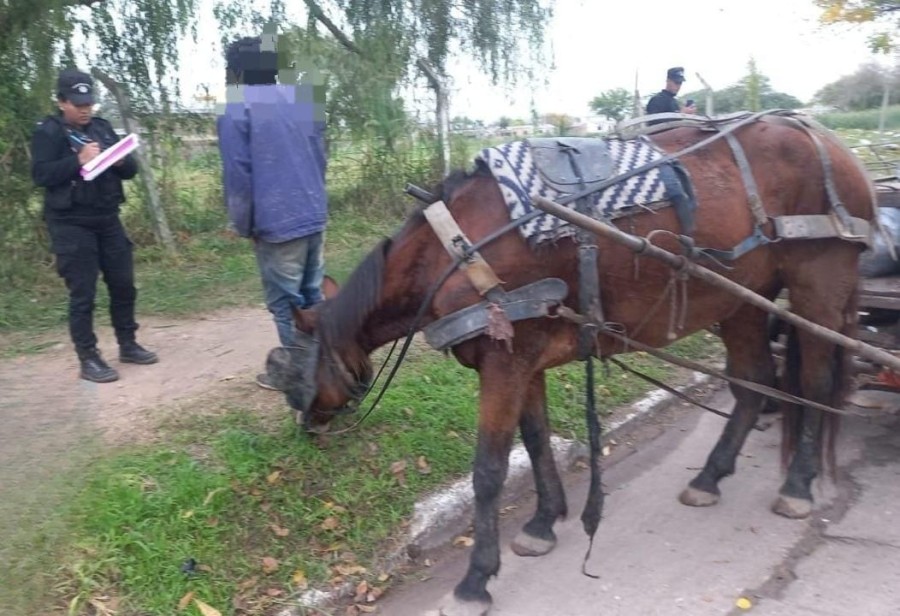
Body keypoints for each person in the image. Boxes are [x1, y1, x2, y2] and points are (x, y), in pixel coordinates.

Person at [216, 31, 329, 390]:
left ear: (235, 72)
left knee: (286, 305)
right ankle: (327, 367)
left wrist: (245, 225)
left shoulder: (237, 108)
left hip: (277, 224)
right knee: (313, 298)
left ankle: (301, 380)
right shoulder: (303, 100)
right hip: (313, 213)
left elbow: (239, 175)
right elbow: (321, 158)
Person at [30, 68, 159, 383]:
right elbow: (41, 175)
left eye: (88, 102)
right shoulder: (48, 132)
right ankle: (89, 358)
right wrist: (78, 160)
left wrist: (120, 161)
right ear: (62, 102)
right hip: (71, 223)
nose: (85, 108)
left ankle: (128, 344)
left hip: (107, 218)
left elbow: (128, 171)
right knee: (83, 293)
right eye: (77, 103)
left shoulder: (101, 129)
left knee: (123, 284)